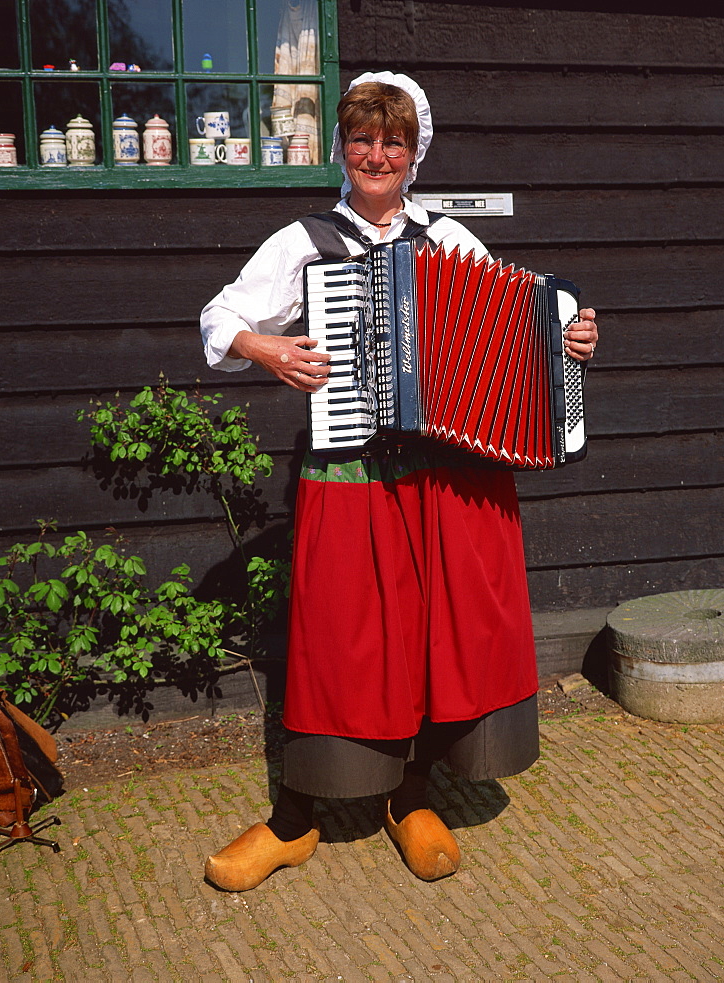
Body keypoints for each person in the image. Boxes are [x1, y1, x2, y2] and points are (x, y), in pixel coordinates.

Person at [199, 71, 599, 889]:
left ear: (415, 153)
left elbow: (522, 332)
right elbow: (219, 318)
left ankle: (409, 799)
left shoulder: (449, 239)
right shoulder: (306, 243)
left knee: (432, 638)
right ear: (342, 149)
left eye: (394, 141)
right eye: (363, 139)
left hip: (443, 482)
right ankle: (294, 820)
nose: (377, 155)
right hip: (351, 476)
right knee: (337, 641)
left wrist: (572, 341)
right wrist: (269, 349)